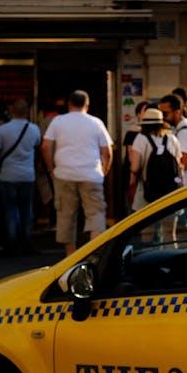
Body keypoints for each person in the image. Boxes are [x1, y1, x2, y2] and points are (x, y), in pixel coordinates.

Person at [42, 90, 113, 256]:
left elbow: (45, 147)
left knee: (66, 214)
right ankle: (95, 253)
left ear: (69, 104)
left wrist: (51, 169)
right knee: (95, 213)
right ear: (87, 105)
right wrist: (104, 170)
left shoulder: (58, 121)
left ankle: (70, 255)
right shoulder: (96, 122)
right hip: (91, 174)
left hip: (64, 174)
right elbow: (107, 152)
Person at [0, 100, 42, 255]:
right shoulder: (34, 129)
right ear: (27, 112)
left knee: (11, 209)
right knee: (26, 209)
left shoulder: (3, 130)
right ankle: (26, 239)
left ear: (11, 111)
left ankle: (12, 241)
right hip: (27, 175)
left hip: (8, 175)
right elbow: (38, 148)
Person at [127, 108, 182, 214]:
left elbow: (135, 168)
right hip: (170, 192)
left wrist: (131, 183)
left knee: (147, 227)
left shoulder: (140, 139)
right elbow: (178, 164)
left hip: (147, 192)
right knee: (168, 227)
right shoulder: (172, 138)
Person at [159, 94, 187, 184]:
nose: (161, 118)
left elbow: (184, 164)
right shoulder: (178, 129)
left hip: (185, 185)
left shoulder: (185, 133)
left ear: (177, 112)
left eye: (164, 114)